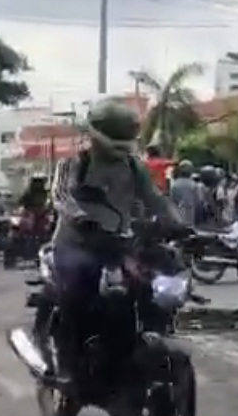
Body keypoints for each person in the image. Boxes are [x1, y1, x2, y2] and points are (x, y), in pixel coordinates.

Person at [49, 97, 178, 388]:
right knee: (80, 285)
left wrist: (177, 222)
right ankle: (68, 361)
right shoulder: (74, 163)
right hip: (75, 244)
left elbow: (155, 199)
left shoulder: (134, 167)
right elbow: (60, 196)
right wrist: (81, 217)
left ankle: (136, 349)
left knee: (149, 286)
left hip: (118, 245)